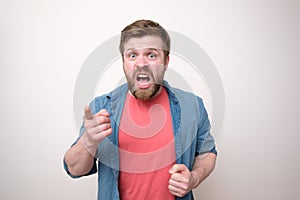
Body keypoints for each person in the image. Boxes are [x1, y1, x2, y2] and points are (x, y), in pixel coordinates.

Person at [64, 19, 217, 200]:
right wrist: (88, 142)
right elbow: (74, 169)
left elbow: (207, 152)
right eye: (132, 55)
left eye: (151, 55)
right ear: (123, 62)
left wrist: (194, 177)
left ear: (166, 61)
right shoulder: (101, 107)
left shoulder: (193, 106)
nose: (141, 63)